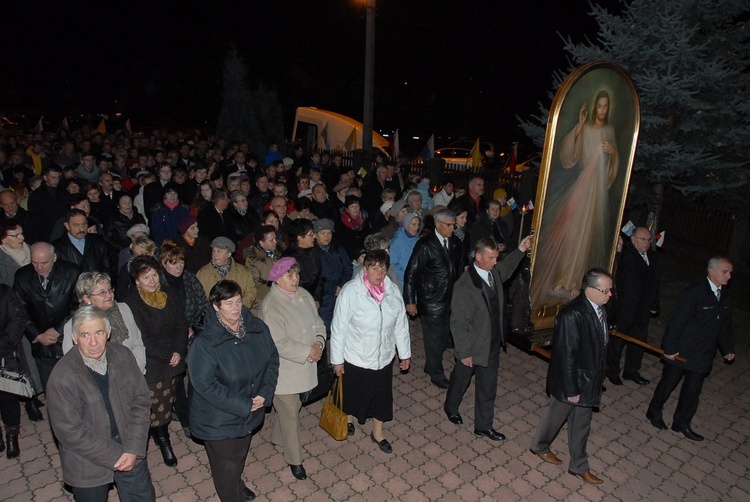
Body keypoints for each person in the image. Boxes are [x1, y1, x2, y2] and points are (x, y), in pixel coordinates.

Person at [47, 306, 156, 502]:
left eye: (98, 332)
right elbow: (69, 430)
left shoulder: (123, 355)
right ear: (74, 338)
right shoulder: (62, 376)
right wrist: (117, 454)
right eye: (85, 335)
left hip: (129, 445)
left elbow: (141, 400)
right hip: (87, 460)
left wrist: (133, 448)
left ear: (108, 333)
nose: (94, 342)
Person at [189, 280, 279, 502]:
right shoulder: (205, 343)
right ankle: (232, 493)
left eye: (238, 301)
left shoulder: (257, 328)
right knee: (225, 468)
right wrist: (244, 405)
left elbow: (272, 361)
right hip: (218, 420)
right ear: (215, 306)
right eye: (228, 303)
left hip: (251, 410)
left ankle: (237, 483)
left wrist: (265, 394)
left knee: (238, 458)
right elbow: (205, 385)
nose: (236, 308)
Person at [531, 90, 619, 305]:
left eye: (605, 106)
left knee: (585, 236)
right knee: (571, 233)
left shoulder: (609, 130)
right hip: (582, 186)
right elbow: (569, 156)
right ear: (594, 107)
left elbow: (614, 166)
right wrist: (579, 126)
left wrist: (613, 152)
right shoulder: (587, 128)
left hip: (596, 191)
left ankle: (576, 282)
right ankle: (562, 278)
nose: (601, 110)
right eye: (599, 106)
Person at [445, 236, 532, 441]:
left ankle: (483, 426)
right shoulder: (465, 285)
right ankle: (450, 406)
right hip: (473, 345)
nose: (495, 262)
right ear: (478, 256)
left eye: (496, 257)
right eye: (491, 258)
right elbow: (458, 323)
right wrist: (464, 352)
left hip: (491, 342)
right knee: (461, 379)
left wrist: (520, 249)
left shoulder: (493, 273)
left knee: (488, 385)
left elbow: (507, 267)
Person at [530, 268, 612, 485]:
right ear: (591, 289)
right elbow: (565, 356)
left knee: (582, 424)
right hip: (571, 382)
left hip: (588, 381)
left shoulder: (600, 309)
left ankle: (579, 465)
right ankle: (539, 446)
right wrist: (572, 390)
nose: (610, 294)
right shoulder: (571, 315)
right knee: (554, 417)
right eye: (606, 290)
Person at [646, 257, 735, 441]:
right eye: (725, 272)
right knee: (668, 384)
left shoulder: (724, 295)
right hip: (681, 352)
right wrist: (669, 348)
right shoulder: (694, 293)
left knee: (692, 392)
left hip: (703, 354)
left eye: (730, 272)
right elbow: (676, 322)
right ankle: (654, 412)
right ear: (711, 271)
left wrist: (728, 348)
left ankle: (682, 422)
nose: (729, 276)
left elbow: (724, 326)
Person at [330, 249, 410, 454]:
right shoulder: (350, 292)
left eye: (383, 268)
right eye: (374, 268)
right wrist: (337, 360)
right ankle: (348, 418)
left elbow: (401, 325)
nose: (380, 273)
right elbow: (339, 328)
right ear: (364, 269)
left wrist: (404, 354)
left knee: (380, 397)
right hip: (356, 356)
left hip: (383, 357)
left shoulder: (392, 292)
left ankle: (378, 433)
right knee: (353, 393)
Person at [260, 258, 326, 480]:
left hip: (305, 365)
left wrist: (319, 343)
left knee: (294, 407)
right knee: (290, 416)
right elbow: (280, 344)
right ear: (278, 279)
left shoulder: (304, 295)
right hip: (284, 373)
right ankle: (295, 460)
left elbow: (318, 323)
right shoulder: (271, 306)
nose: (296, 279)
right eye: (290, 276)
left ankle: (276, 437)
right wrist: (309, 352)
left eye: (296, 274)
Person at [124, 256, 189, 467]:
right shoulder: (131, 302)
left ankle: (164, 431)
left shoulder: (168, 293)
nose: (152, 281)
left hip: (174, 357)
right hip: (152, 363)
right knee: (157, 409)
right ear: (137, 280)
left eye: (154, 275)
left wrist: (179, 350)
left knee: (170, 400)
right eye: (146, 277)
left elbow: (181, 323)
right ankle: (163, 440)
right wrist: (167, 355)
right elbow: (141, 337)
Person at [14, 242, 79, 418]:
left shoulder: (72, 272)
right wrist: (37, 334)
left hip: (69, 340)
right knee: (53, 392)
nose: (39, 267)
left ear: (55, 258)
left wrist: (59, 330)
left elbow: (79, 306)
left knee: (77, 388)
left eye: (44, 263)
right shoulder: (22, 276)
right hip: (42, 346)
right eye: (35, 263)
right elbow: (19, 310)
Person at [403, 208, 465, 388]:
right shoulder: (425, 245)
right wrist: (410, 301)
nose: (453, 228)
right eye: (449, 225)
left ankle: (431, 365)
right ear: (438, 225)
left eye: (454, 225)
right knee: (434, 339)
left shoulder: (456, 243)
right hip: (431, 301)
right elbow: (411, 274)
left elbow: (459, 271)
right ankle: (436, 373)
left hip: (450, 299)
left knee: (444, 337)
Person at [62, 272, 147, 375]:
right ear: (87, 298)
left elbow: (137, 344)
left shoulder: (124, 309)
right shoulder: (74, 324)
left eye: (110, 289)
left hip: (130, 377)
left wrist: (135, 373)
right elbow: (73, 363)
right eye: (102, 292)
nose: (109, 295)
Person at [606, 227, 660, 386]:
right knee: (617, 342)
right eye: (643, 239)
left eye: (649, 240)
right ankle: (612, 371)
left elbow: (655, 283)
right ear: (634, 239)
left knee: (638, 342)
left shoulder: (653, 257)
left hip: (642, 309)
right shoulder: (626, 255)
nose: (647, 243)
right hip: (625, 308)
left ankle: (631, 371)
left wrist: (655, 303)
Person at [0, 284, 28, 459]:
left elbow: (18, 318)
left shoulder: (4, 292)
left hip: (4, 353)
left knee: (6, 396)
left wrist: (5, 343)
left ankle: (12, 434)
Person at [313, 218, 351, 335]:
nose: (327, 236)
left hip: (340, 292)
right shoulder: (313, 253)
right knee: (325, 328)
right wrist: (331, 288)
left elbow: (348, 269)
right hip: (324, 297)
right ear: (315, 235)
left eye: (329, 233)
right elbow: (315, 278)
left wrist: (341, 285)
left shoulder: (338, 249)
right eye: (323, 233)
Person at [197, 237, 257, 311]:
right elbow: (198, 297)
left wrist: (237, 307)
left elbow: (251, 293)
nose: (214, 255)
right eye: (213, 251)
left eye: (219, 251)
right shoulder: (203, 273)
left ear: (229, 254)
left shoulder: (243, 272)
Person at [53, 209, 111, 275]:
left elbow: (107, 267)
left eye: (84, 224)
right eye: (76, 225)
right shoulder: (57, 247)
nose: (81, 229)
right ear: (67, 226)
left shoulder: (99, 241)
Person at [244, 225, 281, 313]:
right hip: (263, 302)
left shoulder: (280, 254)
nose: (275, 242)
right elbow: (255, 285)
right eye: (271, 240)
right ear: (261, 243)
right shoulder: (253, 260)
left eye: (275, 238)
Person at [389, 212, 421, 288]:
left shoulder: (418, 240)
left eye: (418, 224)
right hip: (402, 282)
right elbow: (393, 264)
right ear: (407, 225)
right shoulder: (397, 242)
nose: (416, 227)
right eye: (413, 224)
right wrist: (407, 277)